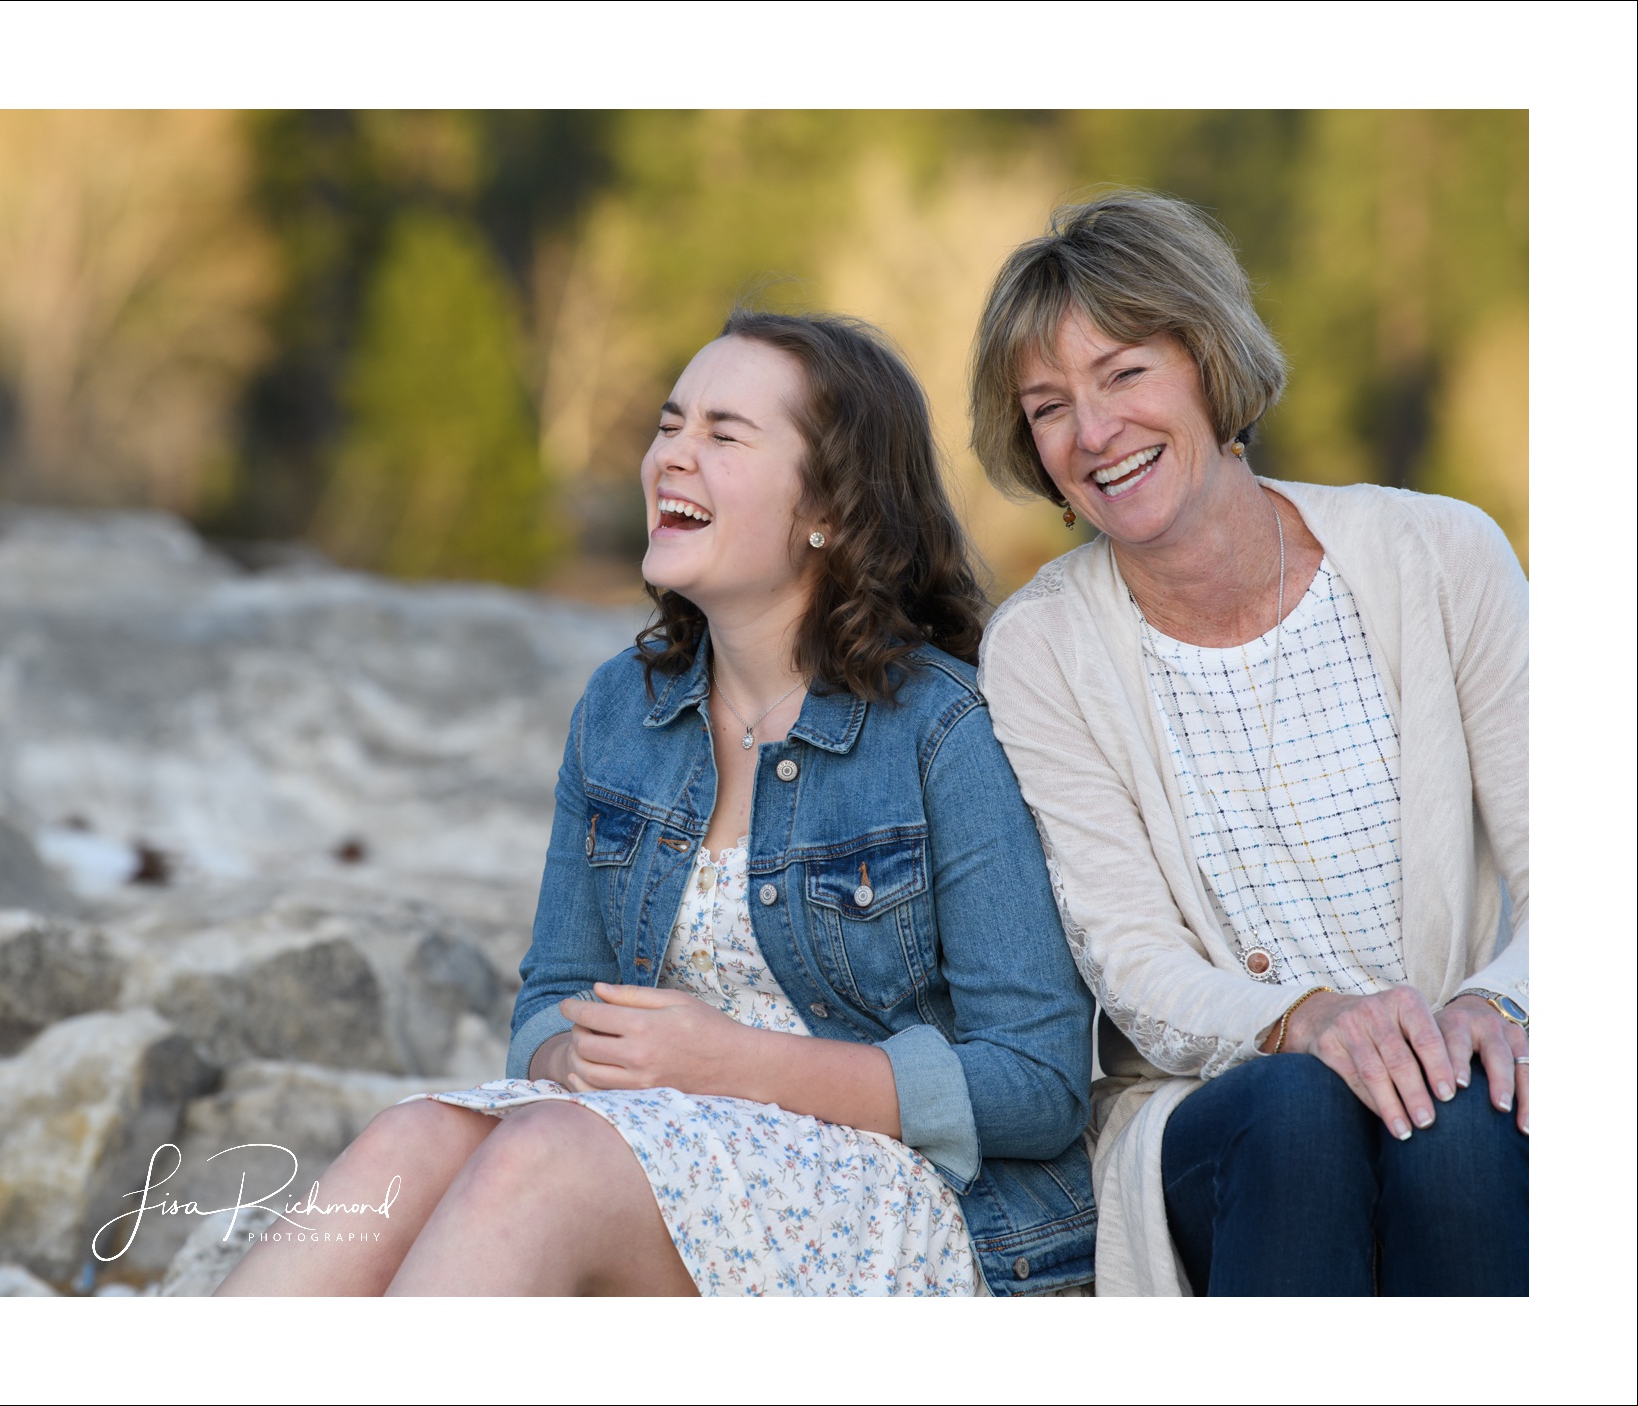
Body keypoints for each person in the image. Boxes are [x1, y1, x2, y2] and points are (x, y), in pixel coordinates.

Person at [218, 309, 1095, 1297]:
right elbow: (551, 996)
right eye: (669, 423)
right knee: (409, 1133)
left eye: (723, 434)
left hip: (907, 1203)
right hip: (661, 1154)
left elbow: (1038, 1083)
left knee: (543, 1160)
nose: (672, 454)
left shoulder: (940, 729)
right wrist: (579, 1058)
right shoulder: (621, 710)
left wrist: (725, 1061)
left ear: (833, 509)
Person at [968, 192, 1528, 1296]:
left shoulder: (1441, 553)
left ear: (1207, 362)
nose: (1090, 434)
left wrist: (1492, 1004)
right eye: (1046, 407)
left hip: (1459, 1075)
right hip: (1226, 1110)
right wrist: (1301, 1019)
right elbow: (1131, 960)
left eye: (1123, 374)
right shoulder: (1036, 647)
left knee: (1456, 1108)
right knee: (1301, 1105)